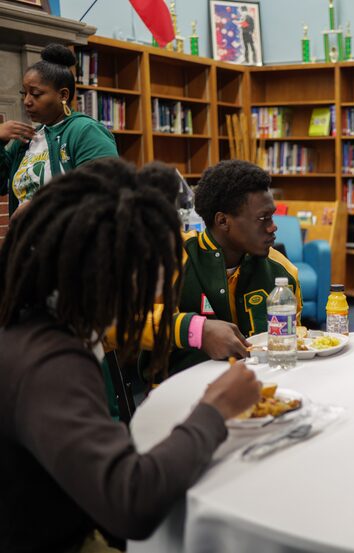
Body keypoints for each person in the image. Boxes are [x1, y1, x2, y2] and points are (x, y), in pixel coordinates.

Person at [0, 163, 261, 553]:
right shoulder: (51, 366)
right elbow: (132, 502)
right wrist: (214, 409)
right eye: (149, 284)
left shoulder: (36, 320)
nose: (153, 301)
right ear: (113, 277)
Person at [166, 160, 303, 373]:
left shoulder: (284, 272)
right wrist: (197, 330)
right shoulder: (174, 260)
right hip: (184, 394)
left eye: (272, 216)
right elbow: (137, 323)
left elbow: (294, 346)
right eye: (262, 218)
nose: (273, 226)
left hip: (260, 389)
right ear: (222, 221)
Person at [0, 43, 117, 218]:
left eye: (36, 94)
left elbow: (104, 187)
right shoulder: (26, 138)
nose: (26, 101)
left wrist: (41, 203)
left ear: (63, 95)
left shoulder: (85, 131)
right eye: (24, 93)